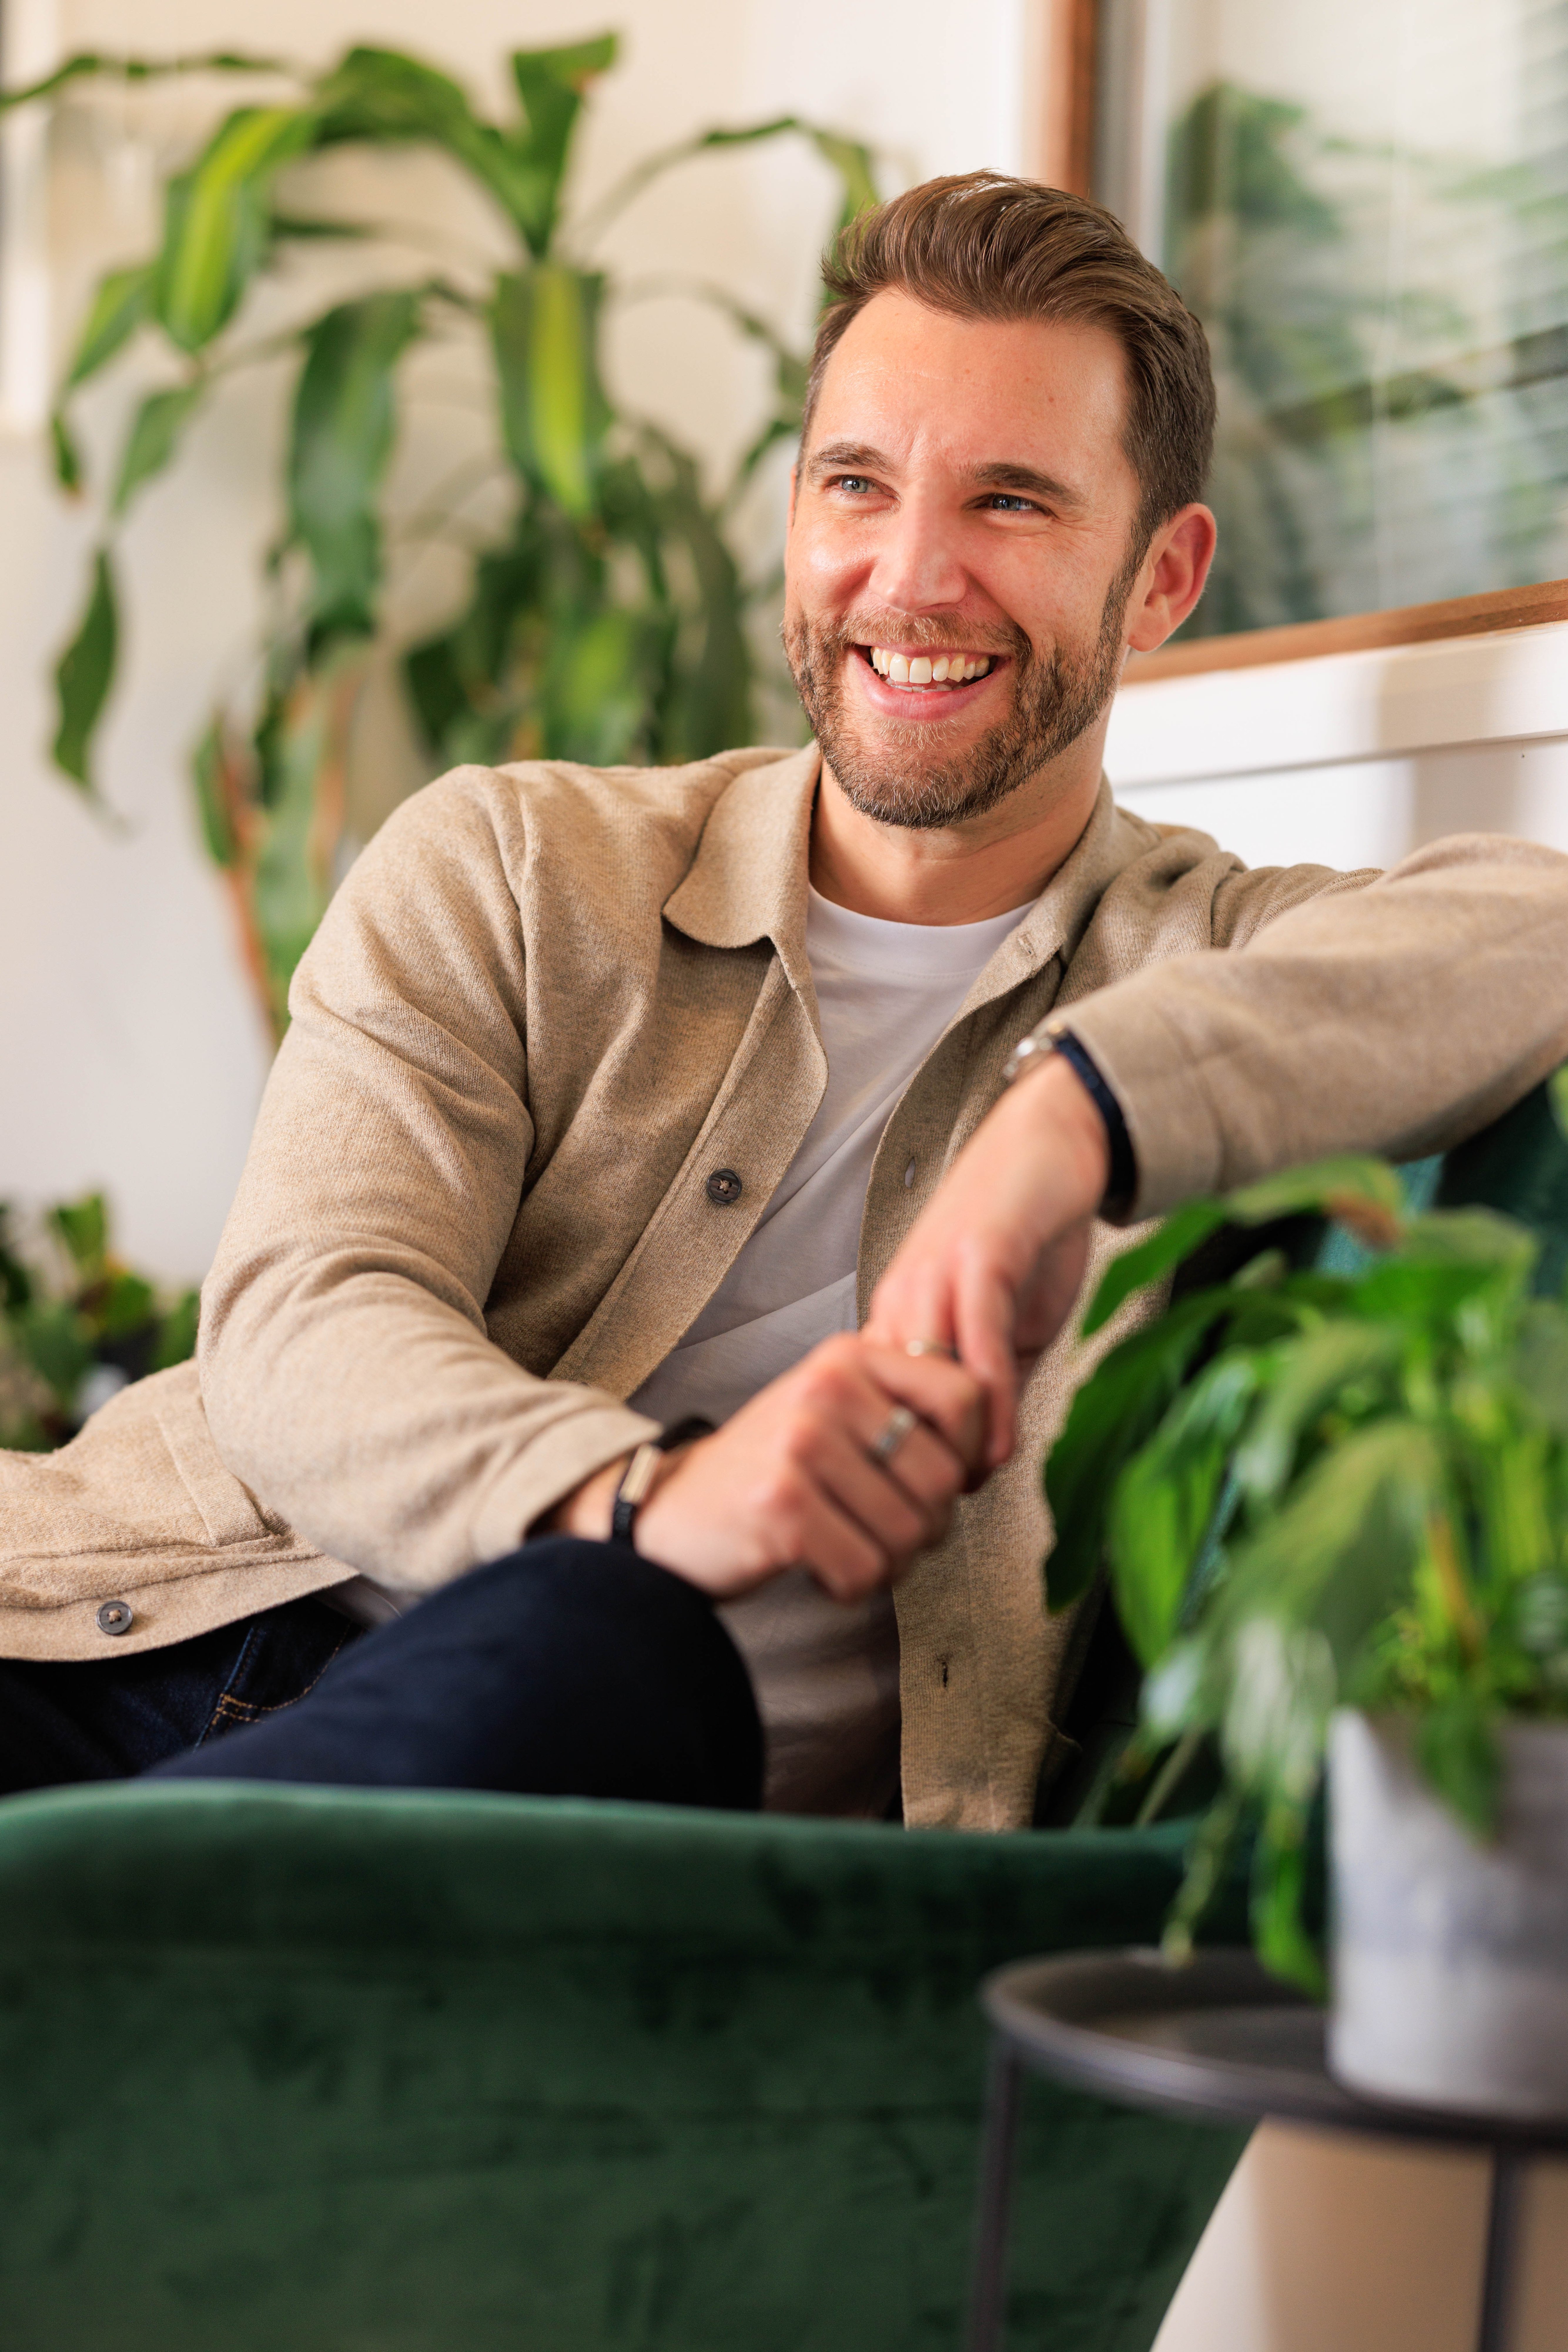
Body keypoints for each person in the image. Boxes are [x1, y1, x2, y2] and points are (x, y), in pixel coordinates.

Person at [4, 172, 1567, 1826]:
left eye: (1012, 503)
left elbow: (1528, 926)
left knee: (604, 1645)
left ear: (1163, 578)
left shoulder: (1210, 963)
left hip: (561, 1752)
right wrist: (652, 1497)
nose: (911, 578)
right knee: (610, 1596)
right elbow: (308, 1325)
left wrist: (1075, 1116)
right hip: (133, 1640)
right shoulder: (517, 864)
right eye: (856, 484)